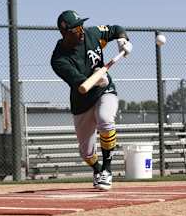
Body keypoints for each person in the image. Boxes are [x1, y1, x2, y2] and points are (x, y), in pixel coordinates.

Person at [50, 10, 132, 191]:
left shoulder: (91, 34)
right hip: (82, 101)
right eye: (75, 29)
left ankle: (107, 171)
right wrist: (95, 79)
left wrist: (122, 40)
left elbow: (115, 29)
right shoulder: (59, 59)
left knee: (105, 119)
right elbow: (80, 83)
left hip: (105, 90)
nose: (80, 30)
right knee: (86, 152)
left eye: (81, 25)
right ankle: (97, 169)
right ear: (64, 33)